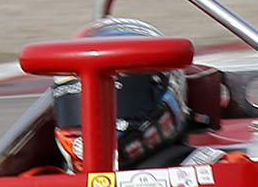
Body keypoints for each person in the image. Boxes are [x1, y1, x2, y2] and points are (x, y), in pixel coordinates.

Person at [50, 17, 192, 171]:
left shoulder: (201, 167)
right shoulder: (43, 177)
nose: (93, 125)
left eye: (123, 102)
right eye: (74, 108)